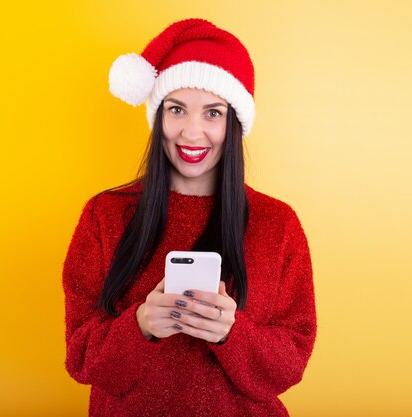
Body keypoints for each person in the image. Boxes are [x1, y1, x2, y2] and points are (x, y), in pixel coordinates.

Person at [62, 18, 316, 417]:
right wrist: (140, 325)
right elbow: (80, 358)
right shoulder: (105, 215)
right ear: (158, 116)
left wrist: (234, 334)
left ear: (233, 123)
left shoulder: (277, 223)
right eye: (177, 109)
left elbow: (291, 362)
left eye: (212, 113)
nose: (192, 133)